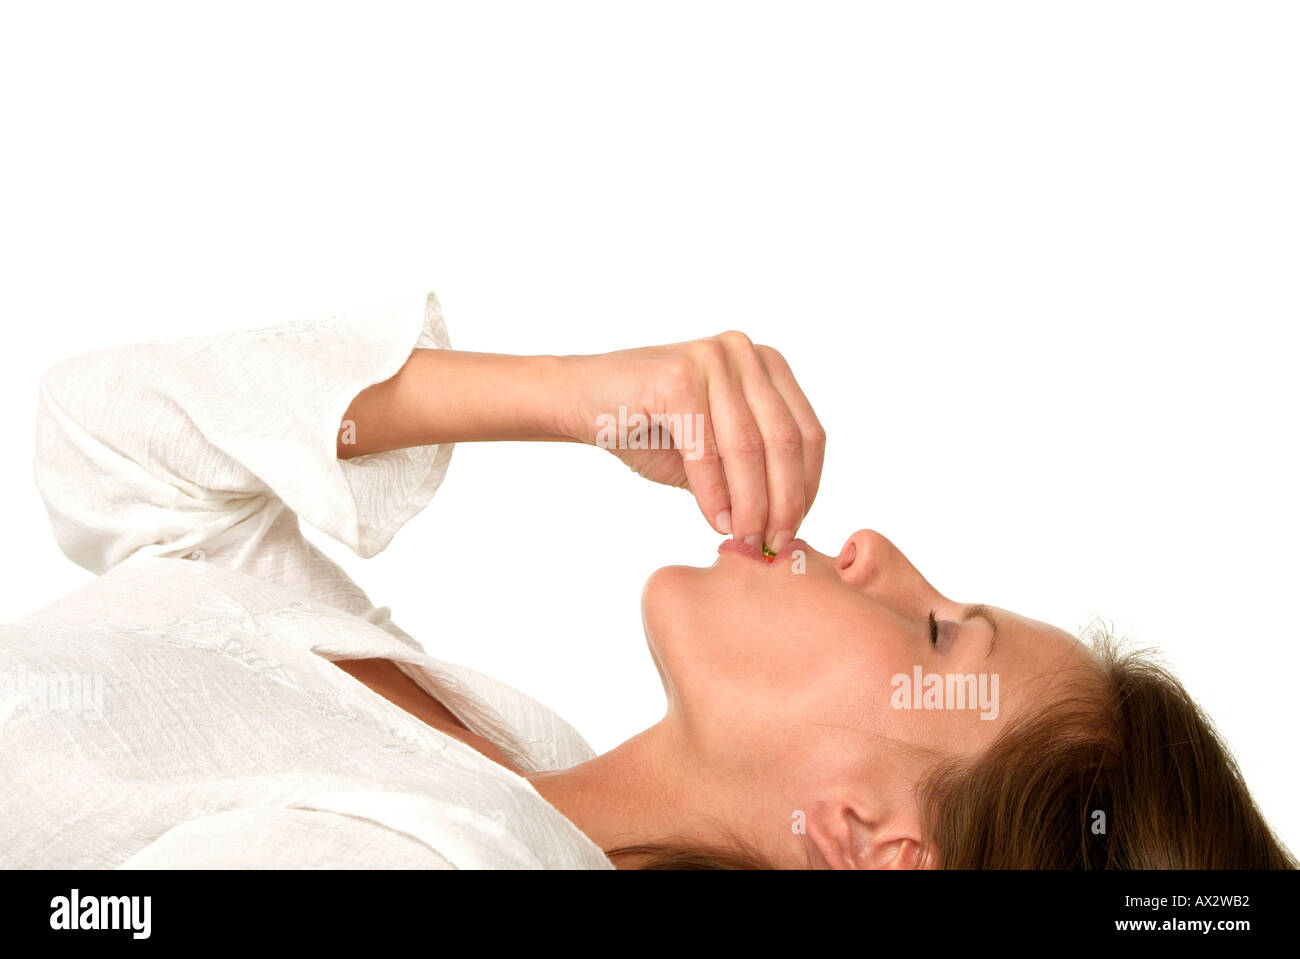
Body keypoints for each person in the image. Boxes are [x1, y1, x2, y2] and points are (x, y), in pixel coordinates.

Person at [5, 291, 1292, 869]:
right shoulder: (515, 750)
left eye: (938, 634)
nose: (873, 552)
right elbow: (114, 451)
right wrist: (572, 397)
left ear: (864, 840)